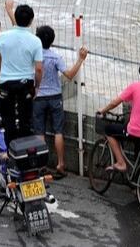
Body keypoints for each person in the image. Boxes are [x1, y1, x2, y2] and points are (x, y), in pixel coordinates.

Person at [32, 25, 88, 179]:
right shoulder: (55, 57)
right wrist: (80, 59)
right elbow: (69, 74)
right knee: (58, 131)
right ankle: (61, 164)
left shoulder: (33, 56)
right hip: (55, 96)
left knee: (39, 132)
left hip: (38, 96)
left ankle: (41, 165)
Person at [97, 59, 140, 172]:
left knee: (108, 130)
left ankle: (121, 163)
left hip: (135, 132)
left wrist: (104, 110)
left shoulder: (134, 86)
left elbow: (115, 103)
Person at [0, 1, 42, 140]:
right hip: (25, 85)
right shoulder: (35, 41)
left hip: (6, 83)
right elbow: (38, 69)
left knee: (7, 120)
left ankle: (8, 153)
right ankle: (24, 156)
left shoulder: (2, 37)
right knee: (25, 121)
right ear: (31, 20)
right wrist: (37, 86)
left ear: (15, 16)